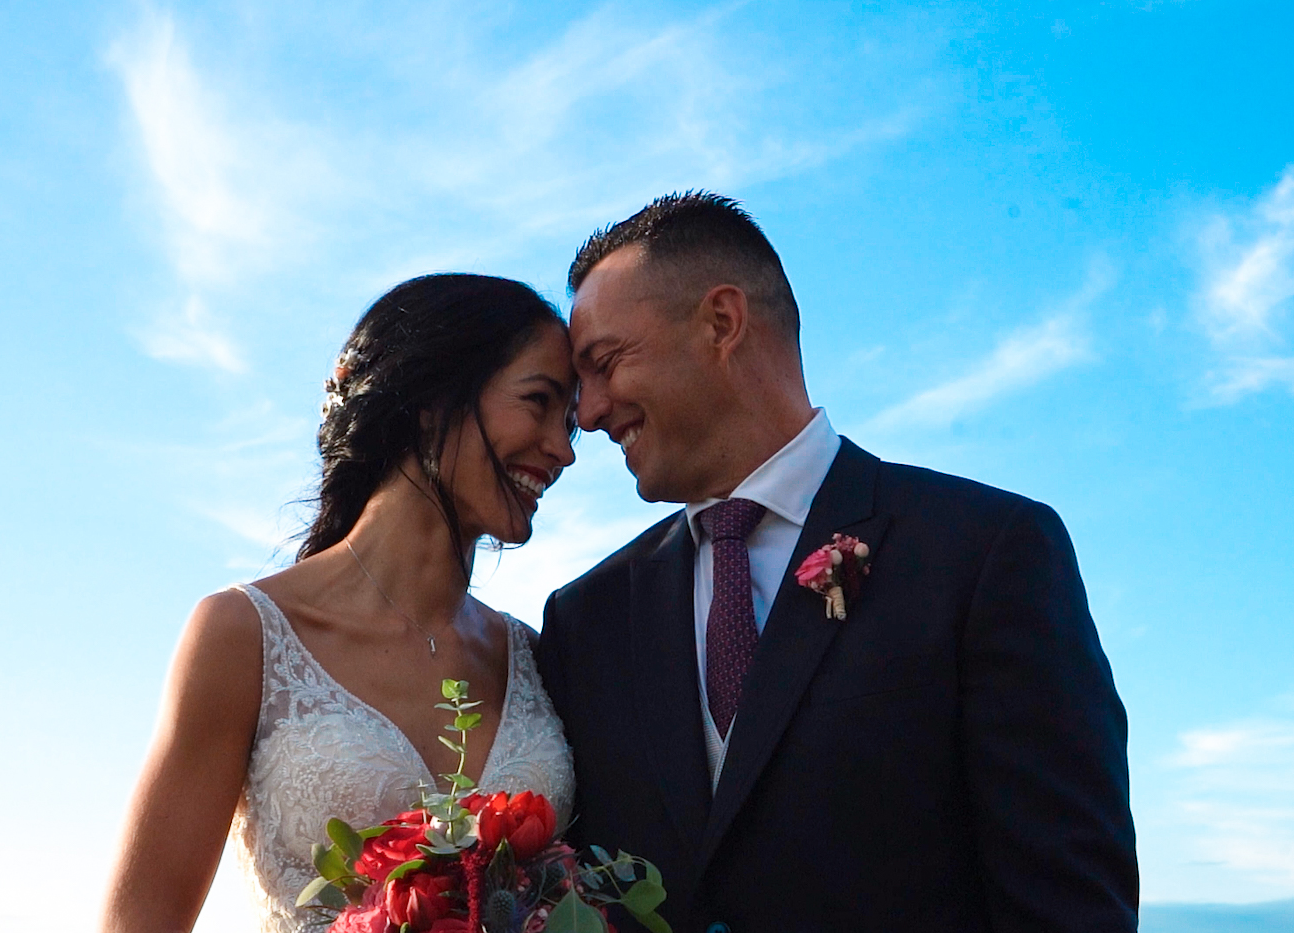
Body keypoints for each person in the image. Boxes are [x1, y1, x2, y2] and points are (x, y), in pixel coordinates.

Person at [536, 192, 1139, 933]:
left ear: (720, 322)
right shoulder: (585, 615)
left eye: (605, 362)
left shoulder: (984, 550)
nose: (589, 412)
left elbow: (1065, 900)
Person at [101, 274, 579, 933]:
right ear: (430, 400)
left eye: (571, 421)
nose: (564, 449)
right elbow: (139, 920)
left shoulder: (536, 653)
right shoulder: (244, 634)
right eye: (539, 402)